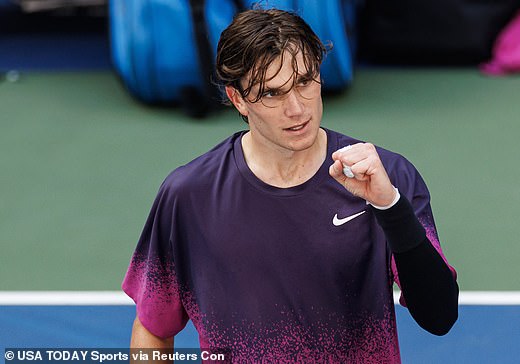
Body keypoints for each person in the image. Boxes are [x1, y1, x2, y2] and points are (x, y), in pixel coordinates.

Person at [123, 8, 458, 363]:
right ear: (238, 99)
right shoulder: (188, 195)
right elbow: (154, 328)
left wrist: (390, 207)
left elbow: (439, 316)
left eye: (304, 81)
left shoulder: (388, 178)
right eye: (272, 93)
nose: (297, 109)